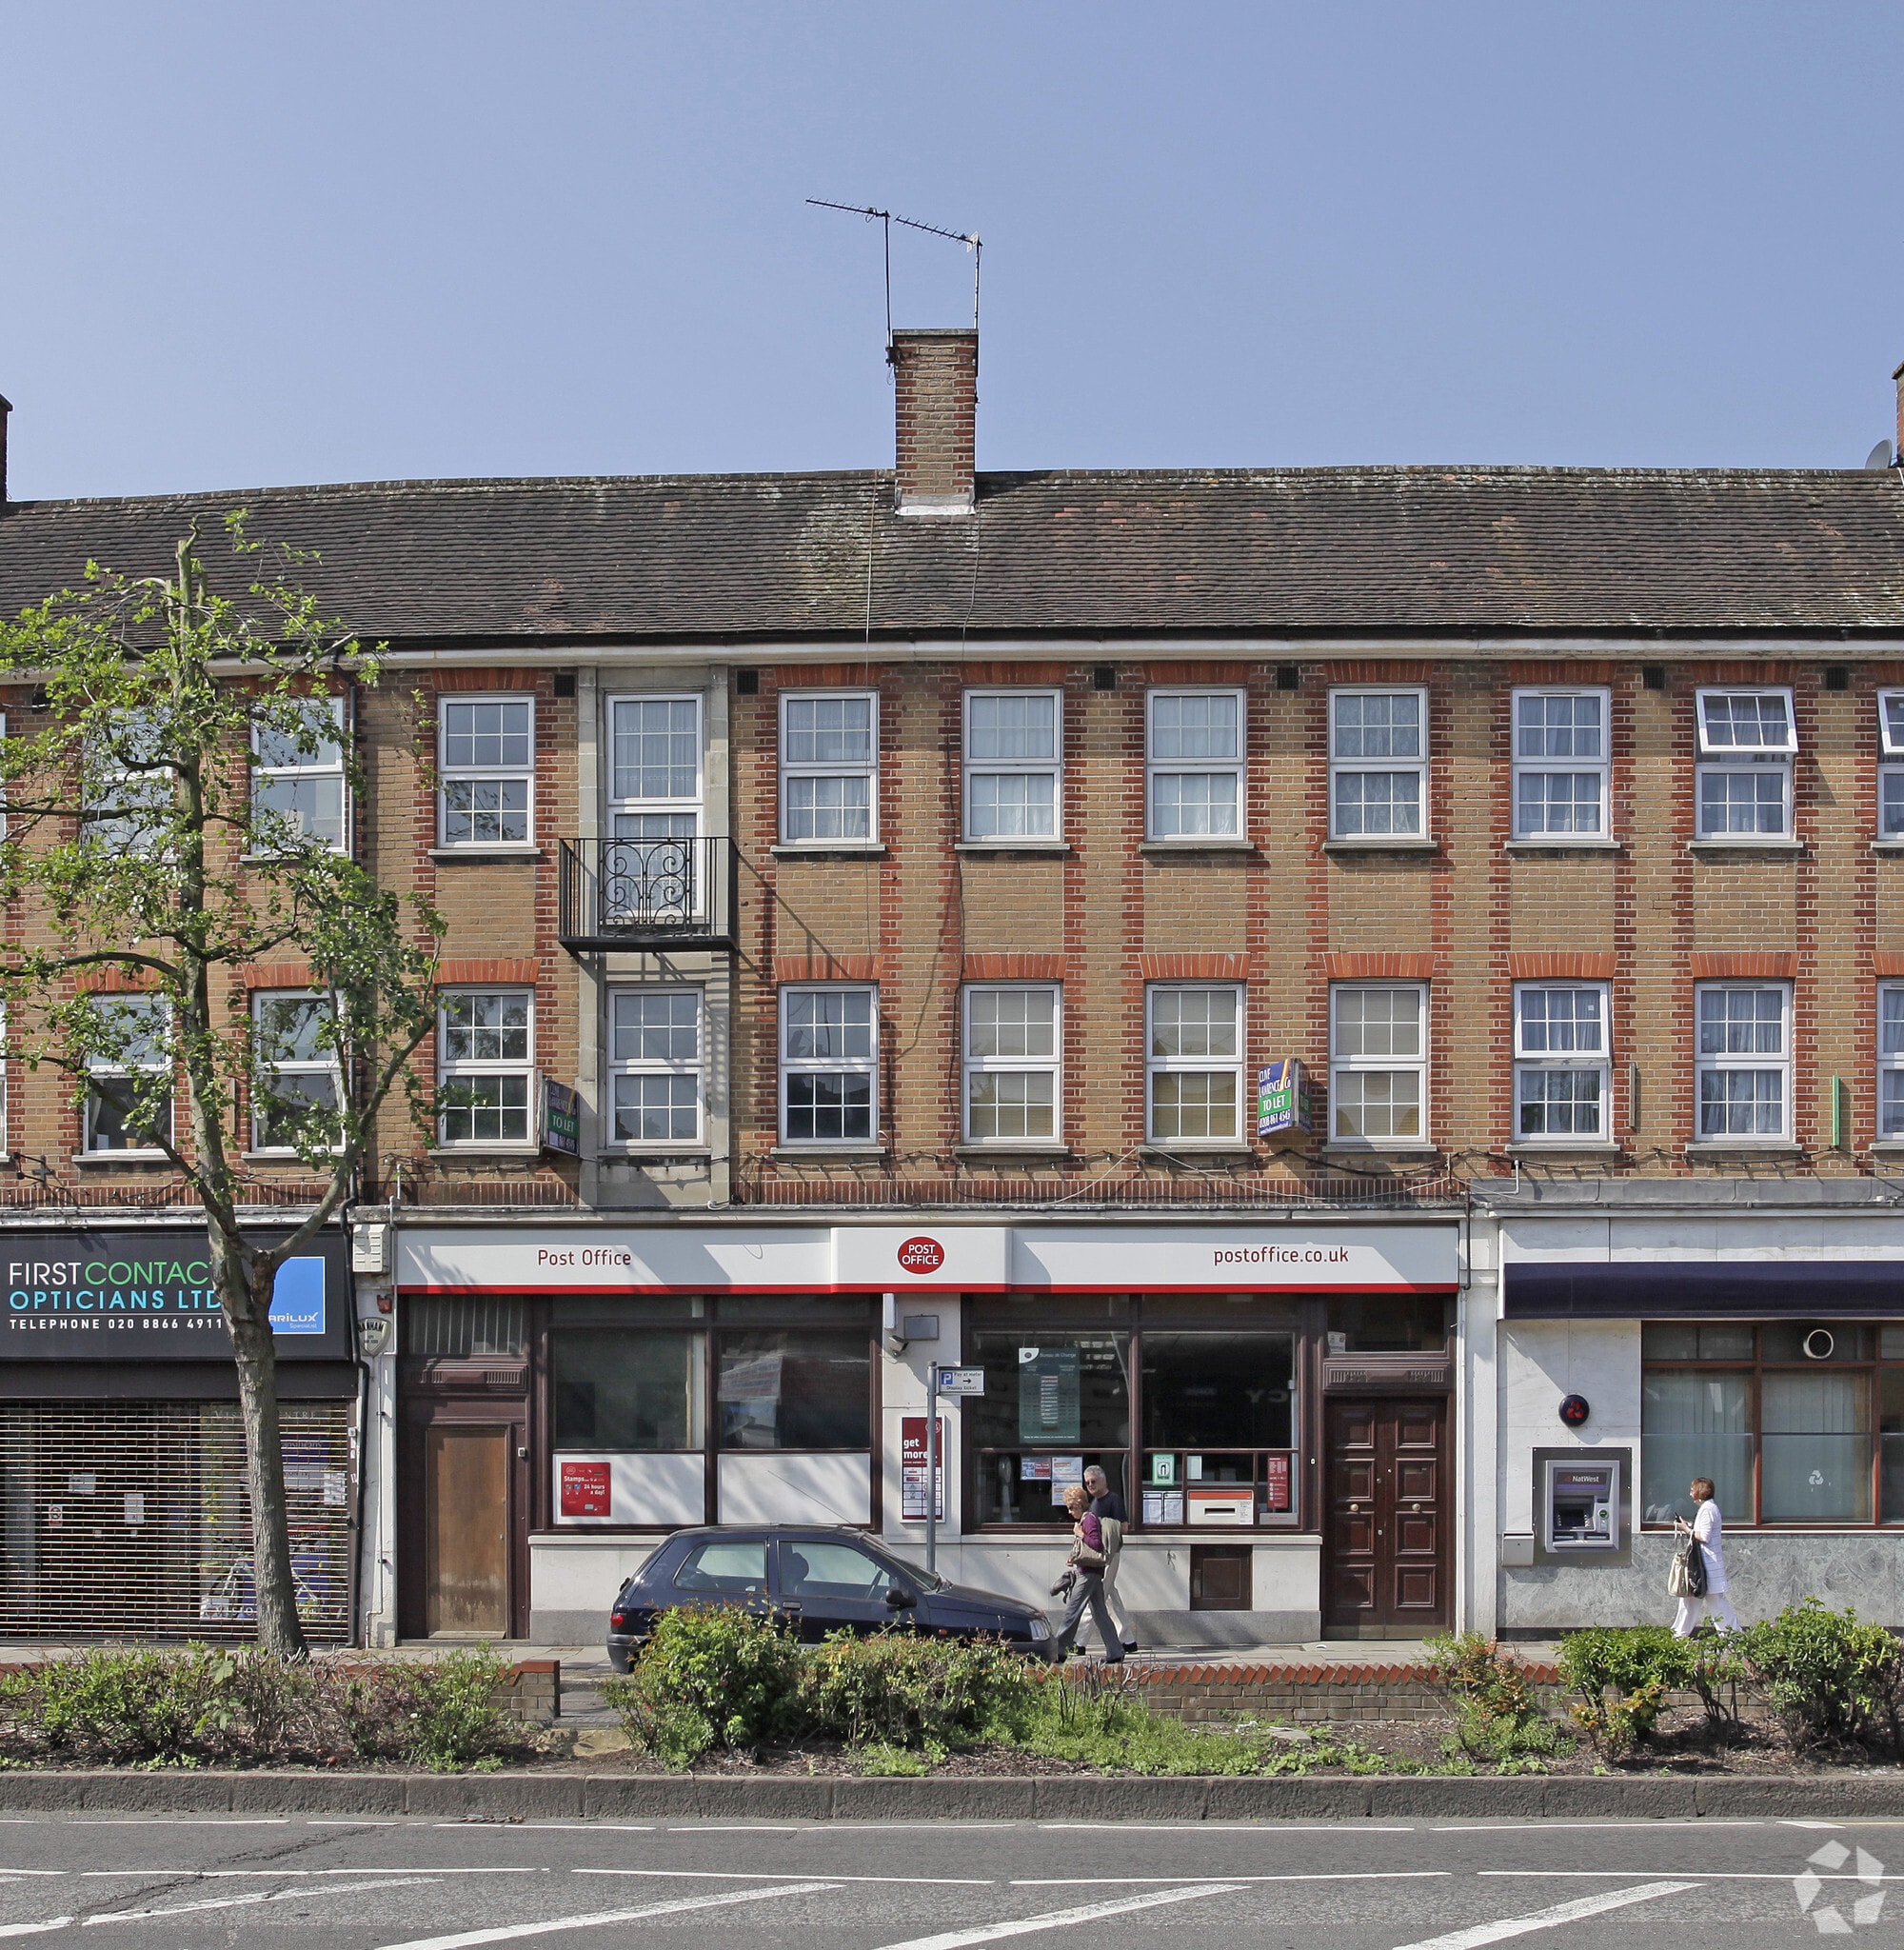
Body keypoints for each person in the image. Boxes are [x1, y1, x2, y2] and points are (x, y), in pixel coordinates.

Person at [1049, 1482, 1123, 1662]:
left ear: (1080, 1504)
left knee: (1072, 1611)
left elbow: (1096, 1544)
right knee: (1100, 1614)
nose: (1069, 1512)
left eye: (1071, 1508)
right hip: (1092, 1572)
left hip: (1089, 1573)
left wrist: (1080, 1534)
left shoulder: (1088, 1519)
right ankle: (1115, 1651)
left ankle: (1058, 1650)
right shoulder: (1086, 1519)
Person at [1672, 1476, 1740, 1636]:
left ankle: (1734, 1638)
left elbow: (1704, 1536)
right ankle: (1679, 1636)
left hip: (1706, 1565)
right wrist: (1689, 1526)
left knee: (1712, 1603)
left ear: (1699, 1492)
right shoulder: (1709, 1508)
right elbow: (1703, 1531)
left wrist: (1686, 1529)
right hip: (1704, 1565)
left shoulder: (1707, 1509)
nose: (1690, 1493)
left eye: (1692, 1489)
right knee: (1691, 1601)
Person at [1082, 1463, 1139, 1655]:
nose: (1090, 1485)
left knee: (1096, 1595)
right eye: (1087, 1482)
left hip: (1110, 1554)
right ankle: (1128, 1639)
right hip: (1097, 1555)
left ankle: (1078, 1641)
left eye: (1093, 1481)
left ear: (1103, 1480)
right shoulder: (1093, 1503)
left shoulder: (1113, 1499)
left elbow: (1124, 1527)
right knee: (1110, 1596)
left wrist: (1100, 1525)